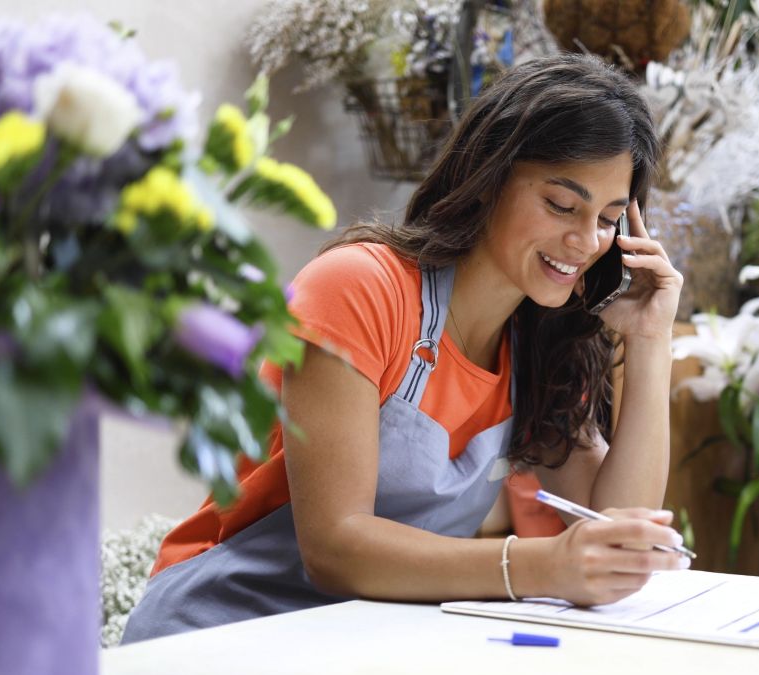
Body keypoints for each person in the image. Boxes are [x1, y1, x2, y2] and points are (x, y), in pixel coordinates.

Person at [122, 53, 685, 643]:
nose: (585, 240)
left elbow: (622, 536)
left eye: (608, 218)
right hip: (219, 634)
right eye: (561, 205)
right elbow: (335, 547)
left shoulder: (540, 345)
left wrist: (650, 343)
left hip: (359, 648)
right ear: (490, 176)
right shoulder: (361, 288)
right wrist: (541, 565)